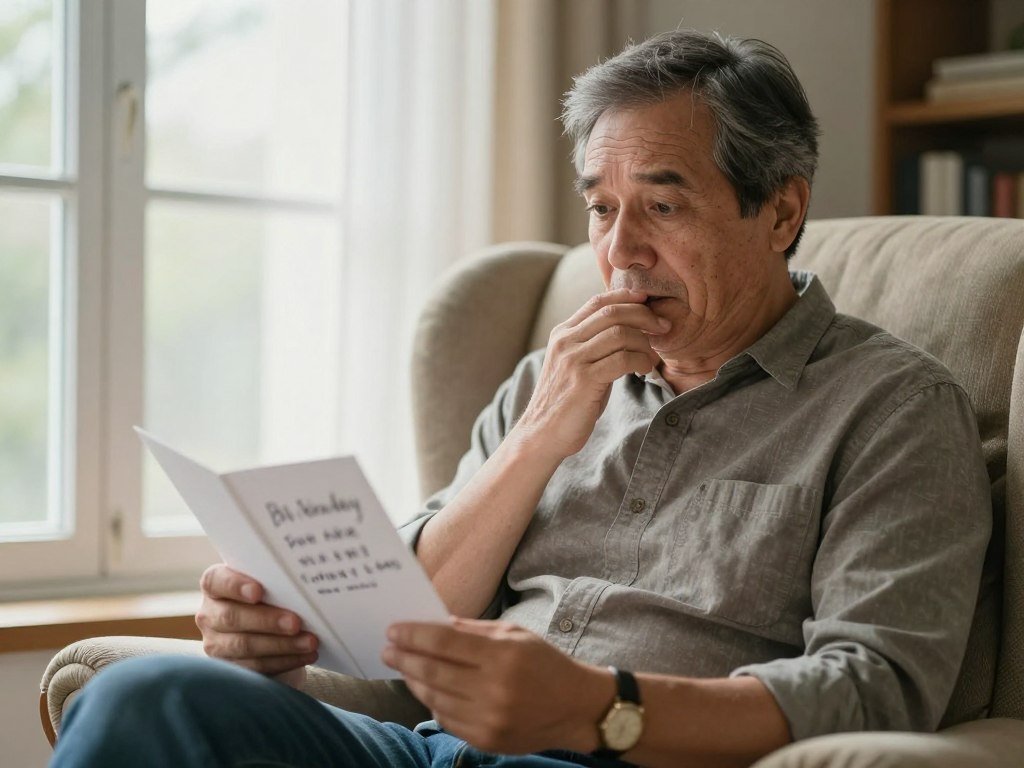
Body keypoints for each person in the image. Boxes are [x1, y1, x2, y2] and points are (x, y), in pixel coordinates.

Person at [51, 28, 991, 768]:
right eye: (599, 206)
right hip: (428, 752)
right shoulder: (553, 376)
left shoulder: (893, 409)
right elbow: (404, 631)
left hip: (622, 758)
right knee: (141, 699)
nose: (620, 252)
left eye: (662, 206)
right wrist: (540, 434)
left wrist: (604, 709)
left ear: (782, 212)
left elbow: (876, 688)